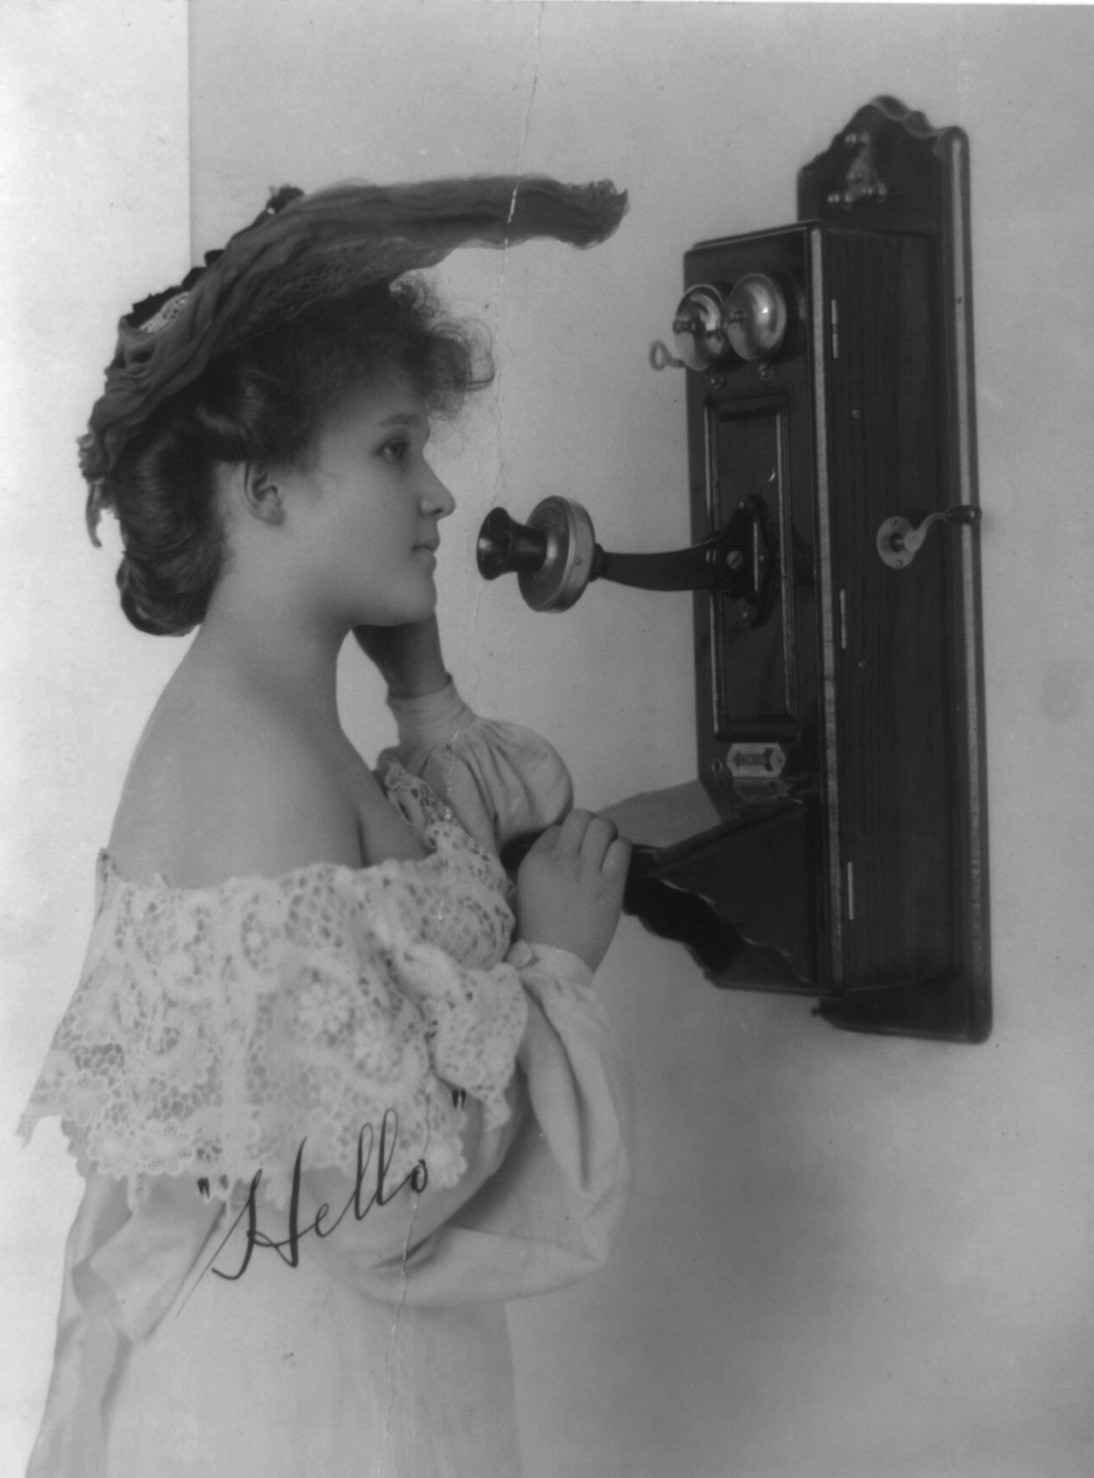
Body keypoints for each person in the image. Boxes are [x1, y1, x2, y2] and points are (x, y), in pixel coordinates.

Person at [19, 177, 632, 1478]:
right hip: (291, 1412)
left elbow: (492, 803)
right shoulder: (253, 762)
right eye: (395, 449)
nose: (441, 498)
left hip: (346, 1378)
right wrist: (557, 969)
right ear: (265, 490)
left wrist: (421, 677)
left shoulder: (294, 725)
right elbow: (375, 1198)